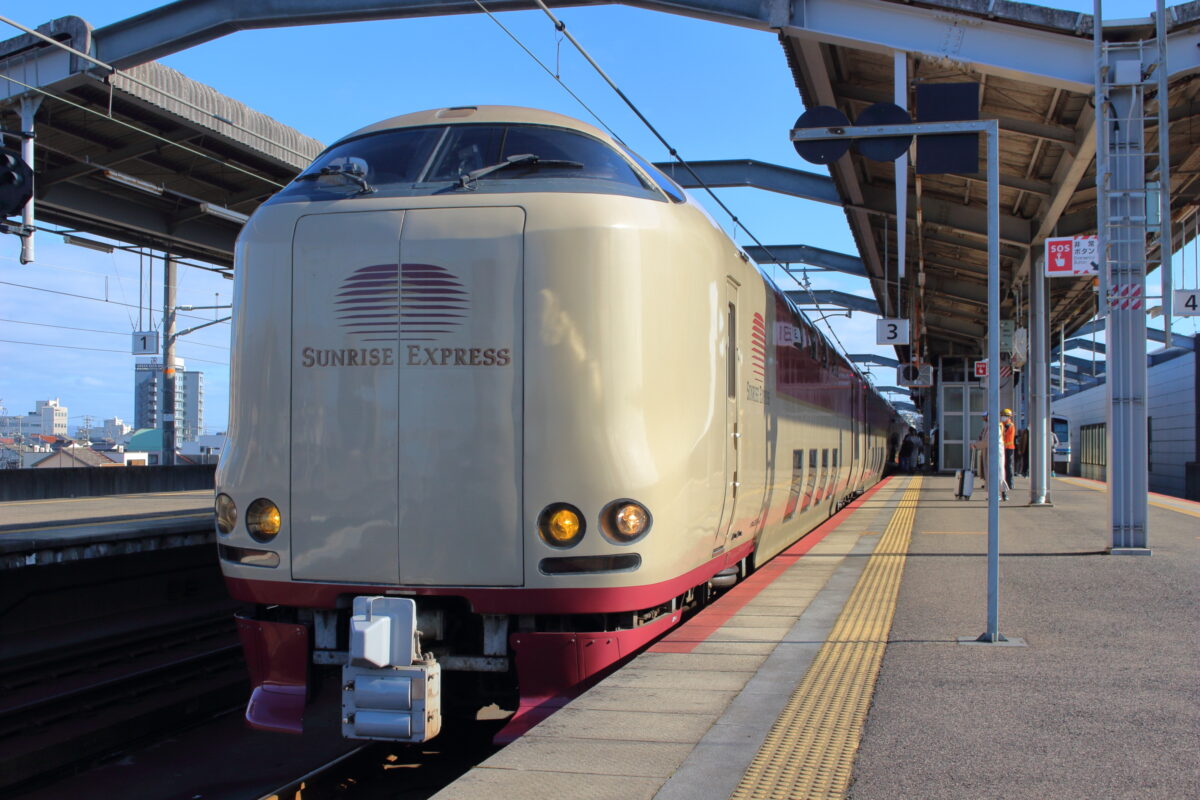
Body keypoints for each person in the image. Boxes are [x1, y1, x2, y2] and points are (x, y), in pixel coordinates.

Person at [1001, 409, 1016, 490]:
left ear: (1007, 417)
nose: (1002, 417)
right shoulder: (1003, 424)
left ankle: (1010, 484)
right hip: (1005, 448)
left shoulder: (1009, 425)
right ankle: (1006, 483)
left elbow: (1005, 437)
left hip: (1008, 448)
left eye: (1003, 416)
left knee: (1008, 466)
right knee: (1004, 466)